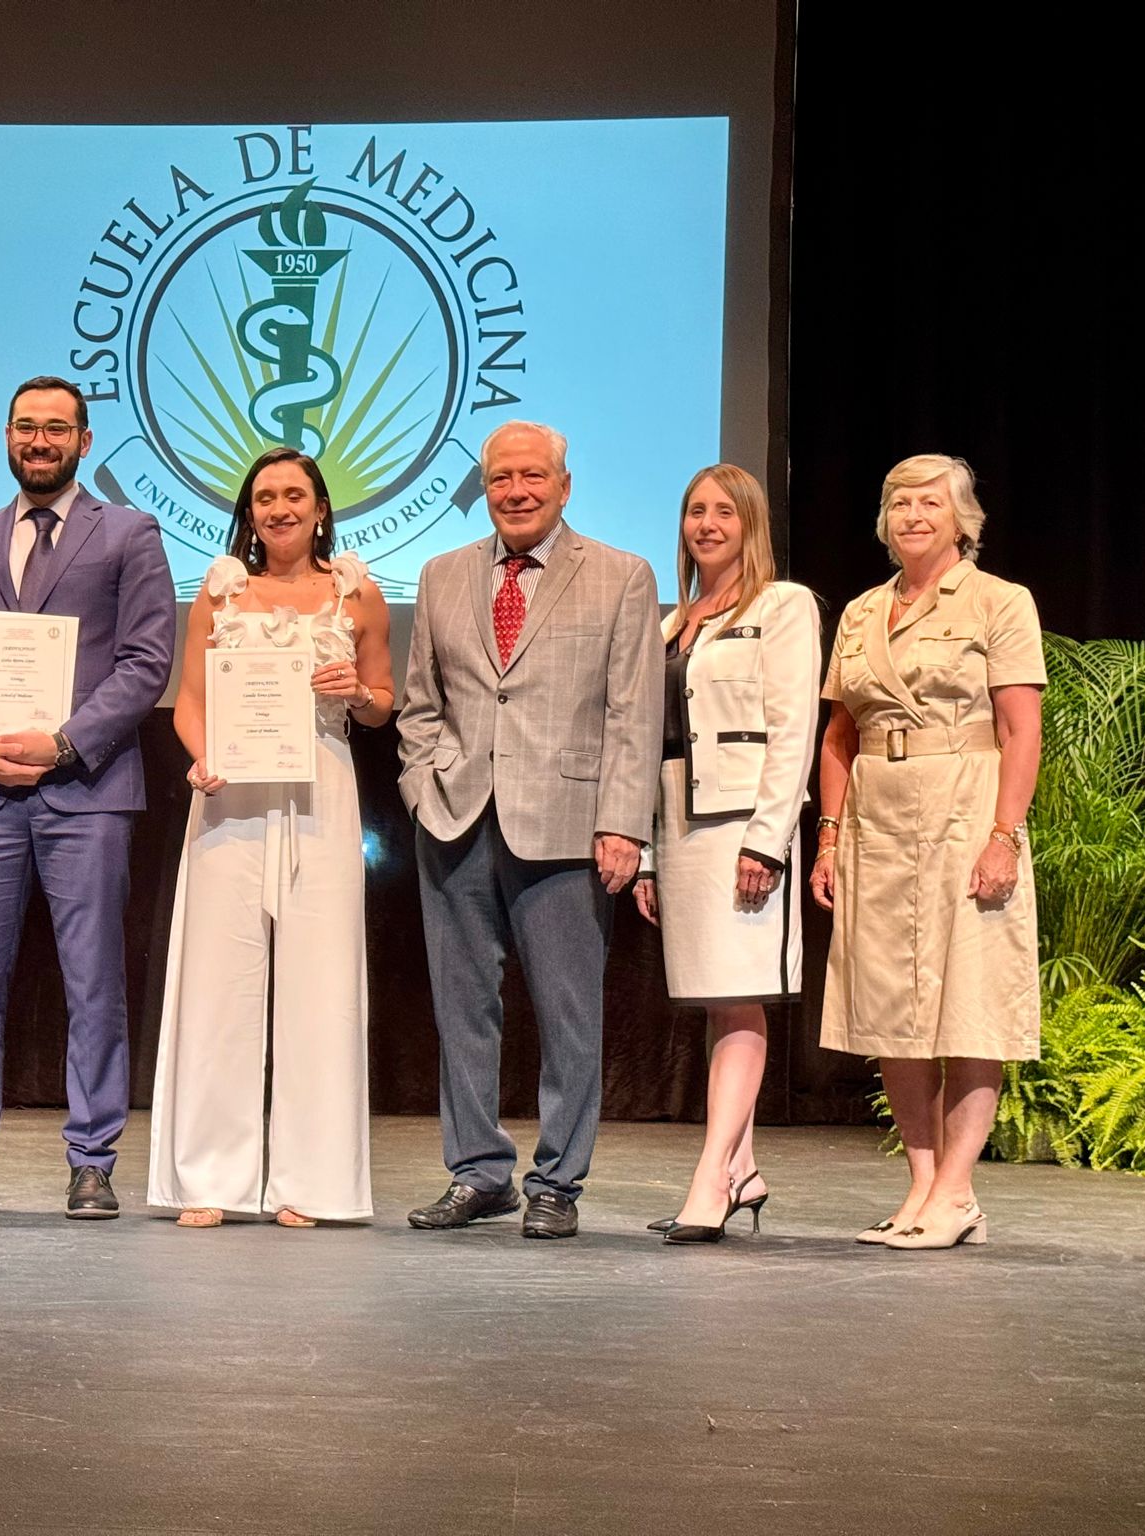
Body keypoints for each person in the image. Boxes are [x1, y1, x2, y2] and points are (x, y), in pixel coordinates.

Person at [0, 375, 174, 1221]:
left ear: (84, 442)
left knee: (94, 983)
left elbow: (145, 662)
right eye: (26, 427)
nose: (40, 441)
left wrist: (62, 744)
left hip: (87, 790)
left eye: (57, 428)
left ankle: (92, 1159)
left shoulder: (129, 532)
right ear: (8, 436)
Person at [397, 420, 662, 1240]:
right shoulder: (442, 574)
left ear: (564, 485)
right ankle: (479, 1173)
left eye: (532, 477)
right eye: (503, 478)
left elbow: (634, 713)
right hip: (454, 817)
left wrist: (624, 823)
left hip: (568, 825)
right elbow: (420, 702)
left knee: (569, 1012)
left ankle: (558, 1181)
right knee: (461, 1008)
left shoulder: (621, 575)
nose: (516, 491)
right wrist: (421, 780)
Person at [147, 450, 393, 1229]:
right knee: (219, 985)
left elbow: (384, 701)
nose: (279, 508)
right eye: (264, 498)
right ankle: (209, 1180)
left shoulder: (358, 594)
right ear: (248, 513)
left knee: (322, 985)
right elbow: (189, 702)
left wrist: (359, 691)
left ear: (320, 506)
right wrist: (204, 755)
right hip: (231, 793)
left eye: (294, 494)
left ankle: (309, 1183)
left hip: (322, 790)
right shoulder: (220, 594)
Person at [809, 453, 1044, 1250]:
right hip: (880, 811)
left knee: (970, 1004)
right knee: (891, 1011)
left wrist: (1004, 836)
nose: (913, 515)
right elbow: (838, 733)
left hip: (966, 802)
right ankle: (922, 1187)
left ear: (961, 518)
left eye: (930, 503)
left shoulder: (999, 603)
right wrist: (831, 834)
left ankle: (957, 1190)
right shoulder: (862, 612)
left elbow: (1021, 729)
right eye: (899, 503)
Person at [632, 464, 820, 1243]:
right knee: (715, 996)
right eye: (694, 512)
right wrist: (644, 854)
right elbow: (649, 743)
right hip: (679, 824)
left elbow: (793, 729)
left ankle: (711, 1180)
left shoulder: (783, 606)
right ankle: (742, 1169)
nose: (706, 524)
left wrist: (768, 841)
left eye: (723, 512)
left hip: (743, 822)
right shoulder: (674, 619)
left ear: (750, 522)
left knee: (740, 992)